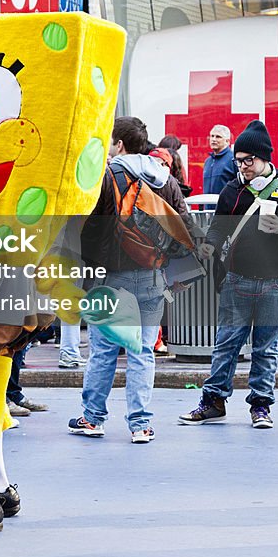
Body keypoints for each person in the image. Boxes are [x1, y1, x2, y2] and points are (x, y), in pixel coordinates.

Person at [179, 120, 278, 429]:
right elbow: (218, 227)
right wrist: (210, 247)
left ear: (264, 157)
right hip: (238, 278)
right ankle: (213, 401)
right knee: (226, 343)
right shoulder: (233, 189)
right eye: (239, 160)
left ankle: (261, 406)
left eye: (248, 160)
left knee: (265, 346)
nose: (243, 166)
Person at [69, 116, 195, 442]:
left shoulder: (107, 177)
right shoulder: (165, 179)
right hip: (152, 276)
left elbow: (89, 230)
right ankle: (140, 424)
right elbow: (185, 227)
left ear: (120, 144)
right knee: (142, 353)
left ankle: (93, 418)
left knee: (103, 351)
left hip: (110, 279)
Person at [202, 124, 235, 195]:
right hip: (208, 204)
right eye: (212, 136)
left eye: (218, 137)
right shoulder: (208, 161)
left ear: (227, 141)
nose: (213, 139)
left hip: (226, 205)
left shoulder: (233, 159)